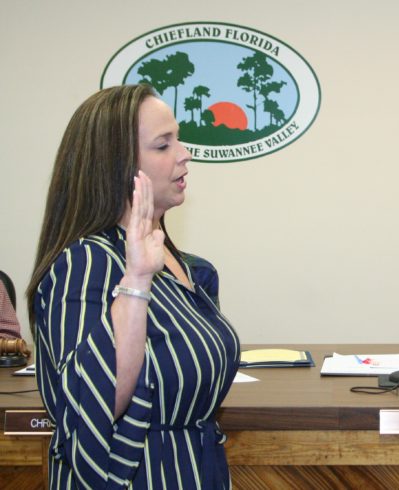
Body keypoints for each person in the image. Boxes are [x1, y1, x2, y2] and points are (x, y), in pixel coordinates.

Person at [26, 84, 240, 489]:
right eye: (163, 145)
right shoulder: (85, 263)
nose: (184, 154)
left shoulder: (178, 262)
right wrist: (137, 281)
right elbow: (92, 408)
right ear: (117, 166)